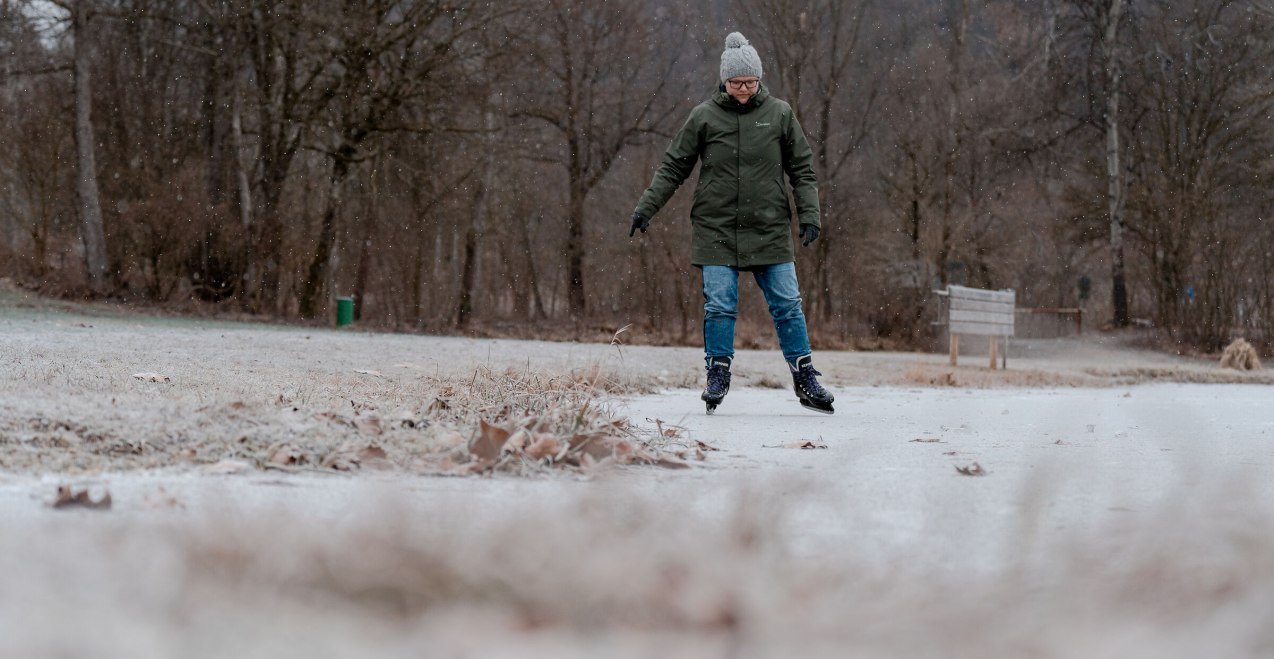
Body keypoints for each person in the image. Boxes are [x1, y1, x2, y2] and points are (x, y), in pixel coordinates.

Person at [629, 32, 835, 415]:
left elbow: (803, 171)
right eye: (736, 83)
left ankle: (805, 376)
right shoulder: (704, 116)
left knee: (789, 304)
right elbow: (674, 166)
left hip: (770, 227)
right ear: (724, 81)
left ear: (759, 80)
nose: (743, 90)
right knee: (720, 305)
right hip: (716, 230)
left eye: (751, 82)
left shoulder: (780, 114)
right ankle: (718, 373)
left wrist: (810, 215)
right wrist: (646, 208)